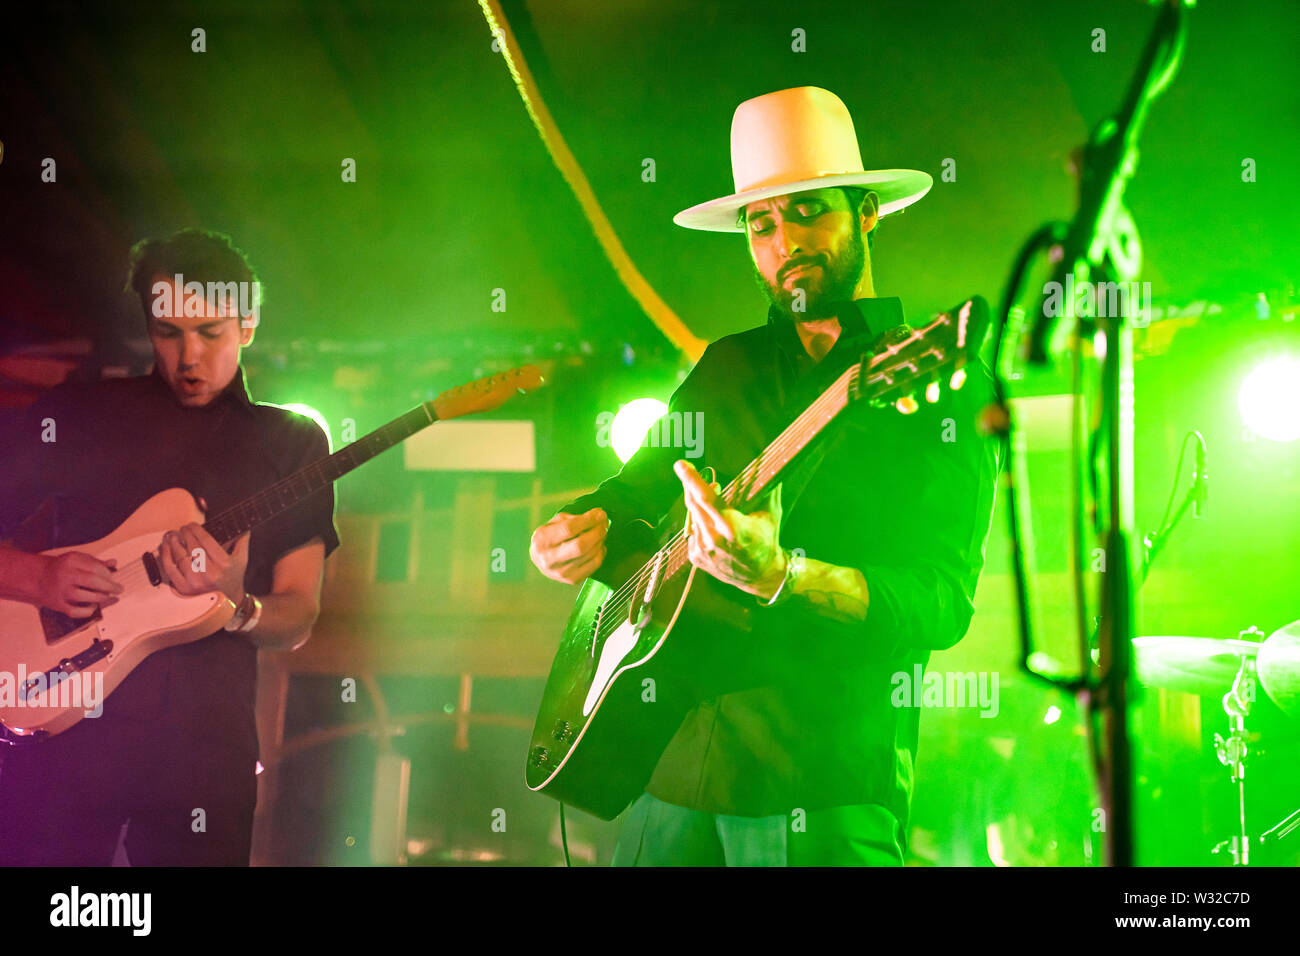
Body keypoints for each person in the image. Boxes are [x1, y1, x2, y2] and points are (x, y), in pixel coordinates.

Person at [529, 87, 1001, 866]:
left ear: (867, 212)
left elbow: (943, 602)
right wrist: (584, 528)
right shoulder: (726, 366)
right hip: (668, 765)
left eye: (810, 211)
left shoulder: (945, 382)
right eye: (763, 223)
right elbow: (638, 486)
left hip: (818, 779)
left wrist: (784, 574)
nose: (788, 242)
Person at [0, 228, 339, 865]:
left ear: (249, 324)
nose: (188, 358)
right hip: (64, 725)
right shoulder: (78, 415)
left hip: (204, 751)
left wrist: (239, 604)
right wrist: (36, 578)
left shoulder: (292, 443)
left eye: (210, 333)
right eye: (168, 332)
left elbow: (299, 614)